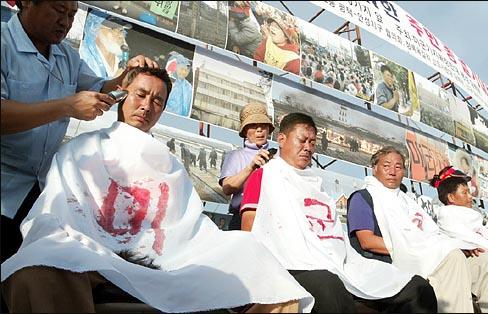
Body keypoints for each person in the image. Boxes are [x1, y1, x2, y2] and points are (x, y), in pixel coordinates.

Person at [1, 67, 313, 313]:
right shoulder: (82, 148)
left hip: (161, 257)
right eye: (140, 95)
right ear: (123, 95)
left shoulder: (169, 164)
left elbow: (185, 224)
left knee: (254, 258)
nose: (147, 106)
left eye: (157, 101)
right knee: (40, 264)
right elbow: (59, 209)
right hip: (90, 250)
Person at [1, 0, 158, 266]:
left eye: (72, 14)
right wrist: (66, 106)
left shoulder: (67, 57)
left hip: (39, 196)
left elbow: (101, 88)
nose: (66, 21)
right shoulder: (4, 46)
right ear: (27, 3)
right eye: (59, 10)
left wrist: (127, 77)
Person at [240, 113, 437, 313]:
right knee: (327, 283)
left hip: (338, 263)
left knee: (416, 287)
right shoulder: (264, 177)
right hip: (290, 264)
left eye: (312, 142)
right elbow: (251, 231)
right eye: (302, 140)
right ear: (281, 139)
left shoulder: (316, 185)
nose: (308, 147)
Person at [347, 146, 488, 312]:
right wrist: (419, 248)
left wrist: (451, 245)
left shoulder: (409, 203)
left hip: (425, 254)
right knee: (453, 257)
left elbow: (431, 236)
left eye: (398, 167)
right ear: (374, 168)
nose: (392, 171)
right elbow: (367, 242)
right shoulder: (363, 197)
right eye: (386, 166)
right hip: (393, 263)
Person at [219, 102, 276, 230]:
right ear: (245, 131)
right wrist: (251, 167)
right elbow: (227, 189)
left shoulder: (278, 157)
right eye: (254, 126)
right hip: (241, 218)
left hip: (272, 220)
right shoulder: (235, 156)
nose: (259, 130)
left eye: (263, 125)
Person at [430, 166, 488, 253]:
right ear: (451, 197)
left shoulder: (472, 218)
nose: (470, 196)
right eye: (464, 193)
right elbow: (473, 240)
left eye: (469, 192)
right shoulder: (447, 215)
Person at [165, 52, 192, 117]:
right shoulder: (166, 81)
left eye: (186, 70)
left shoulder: (188, 86)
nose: (184, 72)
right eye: (181, 69)